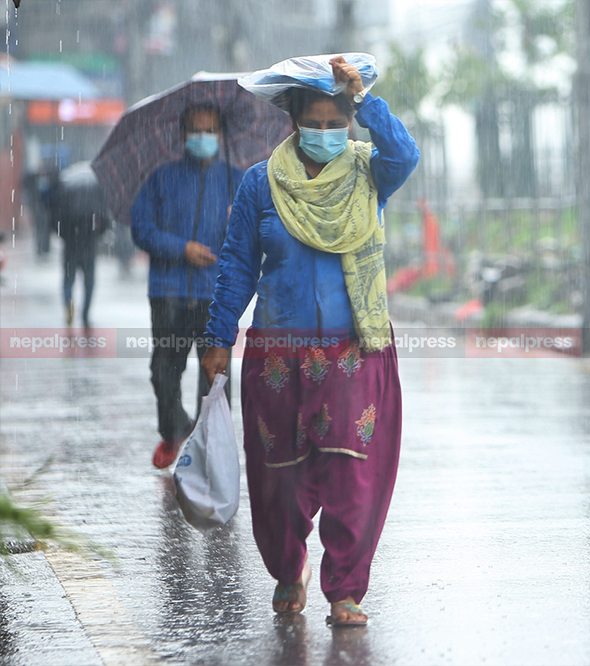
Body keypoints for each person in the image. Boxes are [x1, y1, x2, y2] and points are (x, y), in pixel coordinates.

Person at [201, 55, 418, 627]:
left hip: (353, 349)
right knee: (281, 474)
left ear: (349, 122)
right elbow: (237, 265)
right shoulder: (260, 183)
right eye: (313, 123)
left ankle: (345, 590)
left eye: (335, 122)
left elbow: (406, 155)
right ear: (293, 122)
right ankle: (287, 568)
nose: (325, 132)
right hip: (278, 352)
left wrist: (364, 100)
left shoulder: (370, 172)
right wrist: (218, 335)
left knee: (352, 474)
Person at [131, 103, 241, 468]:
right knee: (163, 372)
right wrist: (181, 249)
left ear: (221, 135)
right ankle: (174, 428)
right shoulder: (162, 178)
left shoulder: (239, 181)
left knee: (215, 376)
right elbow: (141, 230)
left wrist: (238, 225)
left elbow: (257, 236)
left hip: (217, 296)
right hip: (169, 292)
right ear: (182, 135)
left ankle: (209, 448)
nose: (202, 137)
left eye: (210, 130)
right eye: (195, 129)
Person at [49, 163, 111, 328]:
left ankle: (68, 303)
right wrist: (97, 234)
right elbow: (105, 217)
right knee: (89, 281)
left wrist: (65, 235)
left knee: (68, 279)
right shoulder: (96, 189)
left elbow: (54, 218)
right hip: (89, 243)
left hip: (70, 244)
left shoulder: (65, 189)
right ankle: (85, 314)